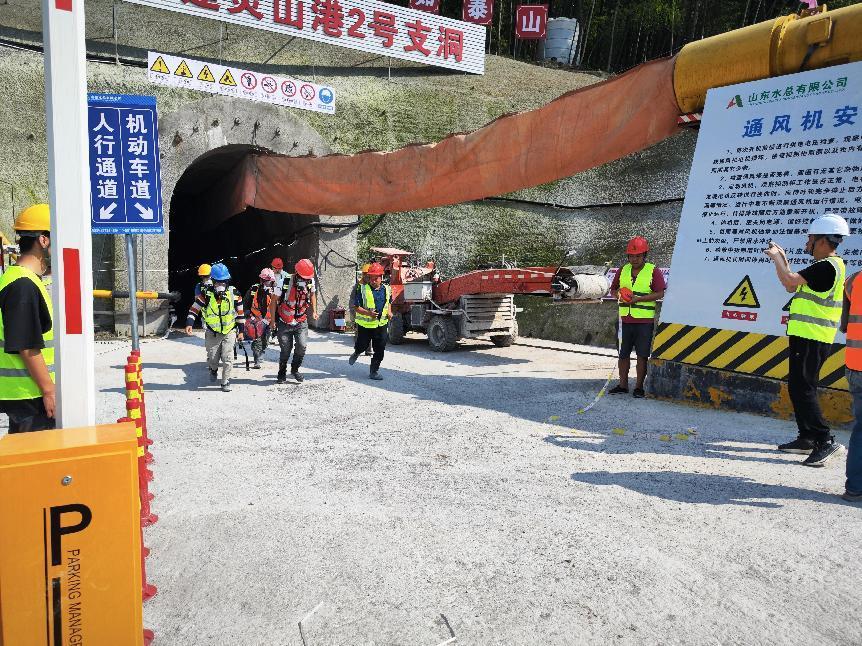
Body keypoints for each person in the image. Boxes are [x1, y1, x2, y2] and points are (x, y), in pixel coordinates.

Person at [765, 213, 848, 466]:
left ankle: (824, 440)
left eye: (810, 239)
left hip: (813, 336)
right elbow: (791, 285)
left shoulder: (826, 266)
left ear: (822, 240)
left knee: (803, 388)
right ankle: (807, 438)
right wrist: (782, 261)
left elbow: (789, 281)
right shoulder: (826, 266)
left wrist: (777, 259)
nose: (807, 243)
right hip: (808, 335)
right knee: (798, 386)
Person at [0, 204, 55, 434]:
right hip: (28, 393)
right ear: (43, 240)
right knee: (35, 453)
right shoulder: (23, 285)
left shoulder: (21, 279)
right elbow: (26, 344)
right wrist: (48, 390)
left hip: (28, 391)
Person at [608, 236, 666, 398]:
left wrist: (638, 299)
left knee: (642, 355)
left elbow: (660, 293)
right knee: (623, 354)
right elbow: (613, 289)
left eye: (638, 256)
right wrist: (618, 295)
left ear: (644, 255)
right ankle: (623, 385)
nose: (634, 259)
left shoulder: (653, 271)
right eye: (631, 256)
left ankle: (639, 387)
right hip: (624, 320)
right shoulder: (623, 270)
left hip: (644, 322)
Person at [185, 263, 245, 392]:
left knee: (228, 358)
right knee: (213, 357)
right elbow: (194, 309)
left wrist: (241, 331)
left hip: (229, 330)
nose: (220, 285)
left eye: (223, 282)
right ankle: (213, 369)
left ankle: (225, 381)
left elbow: (240, 313)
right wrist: (189, 323)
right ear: (213, 281)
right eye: (217, 282)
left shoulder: (234, 293)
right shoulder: (206, 294)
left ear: (227, 281)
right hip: (212, 332)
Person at [269, 258, 317, 384]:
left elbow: (312, 294)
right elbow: (273, 301)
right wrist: (272, 321)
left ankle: (295, 369)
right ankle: (282, 372)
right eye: (303, 277)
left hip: (301, 320)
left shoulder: (310, 281)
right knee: (286, 350)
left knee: (302, 346)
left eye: (307, 278)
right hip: (284, 322)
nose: (305, 280)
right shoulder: (284, 282)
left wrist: (314, 311)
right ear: (297, 273)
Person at [840, 264, 862, 502]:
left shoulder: (853, 280)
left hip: (855, 366)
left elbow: (845, 324)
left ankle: (855, 487)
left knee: (860, 429)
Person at [348, 262, 391, 381]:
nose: (373, 280)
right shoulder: (361, 289)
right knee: (362, 345)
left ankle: (374, 371)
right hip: (365, 325)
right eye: (371, 278)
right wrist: (369, 313)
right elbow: (356, 307)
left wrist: (389, 312)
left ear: (381, 277)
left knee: (380, 349)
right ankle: (357, 352)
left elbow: (389, 302)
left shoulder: (387, 289)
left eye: (376, 278)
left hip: (381, 324)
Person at [244, 268, 276, 369]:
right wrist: (249, 316)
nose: (268, 283)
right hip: (256, 319)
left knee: (265, 340)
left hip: (269, 320)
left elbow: (278, 306)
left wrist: (275, 321)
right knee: (257, 339)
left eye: (270, 281)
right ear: (261, 280)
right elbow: (246, 303)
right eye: (266, 281)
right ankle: (256, 359)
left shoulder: (275, 291)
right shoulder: (254, 290)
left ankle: (261, 351)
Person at [356, 263, 374, 357]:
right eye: (367, 275)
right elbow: (354, 301)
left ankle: (368, 350)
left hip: (370, 312)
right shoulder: (359, 286)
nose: (369, 277)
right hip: (360, 312)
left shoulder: (371, 285)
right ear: (363, 274)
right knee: (361, 333)